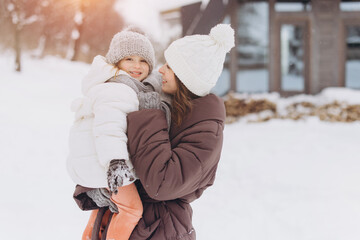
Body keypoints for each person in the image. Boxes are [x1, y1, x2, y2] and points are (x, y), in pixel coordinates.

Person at [123, 24, 235, 239]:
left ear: (186, 77)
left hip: (161, 229)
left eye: (169, 66)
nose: (160, 70)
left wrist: (149, 116)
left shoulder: (206, 129)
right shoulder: (172, 107)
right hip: (136, 222)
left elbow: (161, 184)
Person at [67, 27, 170, 240]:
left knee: (104, 211)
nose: (137, 65)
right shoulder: (118, 89)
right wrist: (116, 160)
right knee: (132, 210)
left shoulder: (121, 86)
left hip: (97, 162)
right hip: (106, 163)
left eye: (143, 60)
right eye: (129, 58)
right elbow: (109, 127)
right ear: (116, 62)